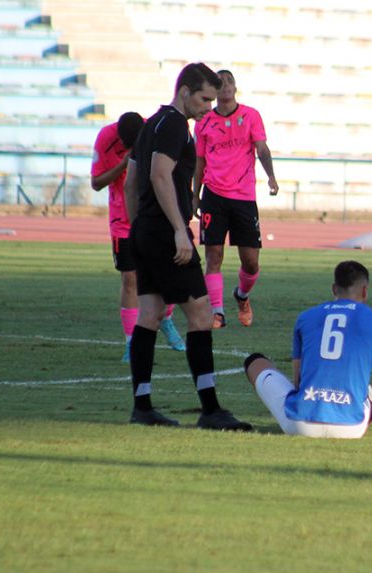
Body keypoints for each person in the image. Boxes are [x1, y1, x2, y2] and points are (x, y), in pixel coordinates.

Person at [123, 62, 251, 430]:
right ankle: (211, 409)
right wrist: (180, 230)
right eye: (204, 99)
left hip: (146, 231)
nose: (209, 107)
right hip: (166, 234)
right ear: (184, 92)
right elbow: (158, 175)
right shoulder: (176, 125)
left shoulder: (151, 124)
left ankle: (142, 405)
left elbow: (132, 181)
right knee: (200, 316)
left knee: (149, 314)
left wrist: (138, 227)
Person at [244, 261, 372, 439]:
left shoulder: (305, 317)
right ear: (364, 291)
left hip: (301, 424)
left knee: (255, 362)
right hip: (351, 427)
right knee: (367, 391)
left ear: (334, 288)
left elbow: (298, 381)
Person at [91, 112, 186, 362]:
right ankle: (131, 342)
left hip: (155, 214)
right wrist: (123, 164)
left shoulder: (155, 133)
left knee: (168, 271)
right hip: (122, 220)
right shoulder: (105, 138)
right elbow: (96, 183)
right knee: (130, 279)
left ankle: (166, 319)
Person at [193, 69, 279, 329]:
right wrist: (194, 195)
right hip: (214, 195)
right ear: (216, 90)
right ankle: (217, 312)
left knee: (251, 262)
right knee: (213, 255)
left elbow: (261, 149)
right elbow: (200, 161)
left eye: (230, 81)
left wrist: (271, 177)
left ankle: (242, 295)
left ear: (235, 87)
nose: (227, 86)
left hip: (243, 197)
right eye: (222, 82)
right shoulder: (203, 122)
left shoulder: (251, 116)